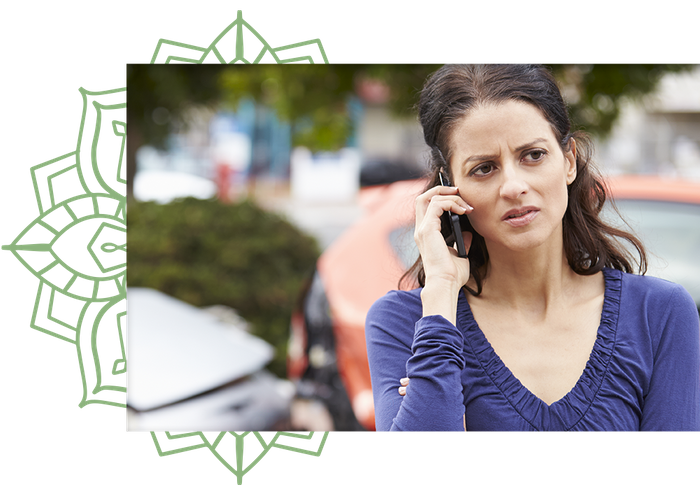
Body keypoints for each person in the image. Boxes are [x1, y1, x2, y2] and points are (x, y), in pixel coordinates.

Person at [365, 62, 700, 433]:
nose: (513, 185)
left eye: (533, 155)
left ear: (569, 160)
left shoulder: (659, 315)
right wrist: (442, 295)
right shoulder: (406, 323)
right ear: (449, 187)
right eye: (484, 168)